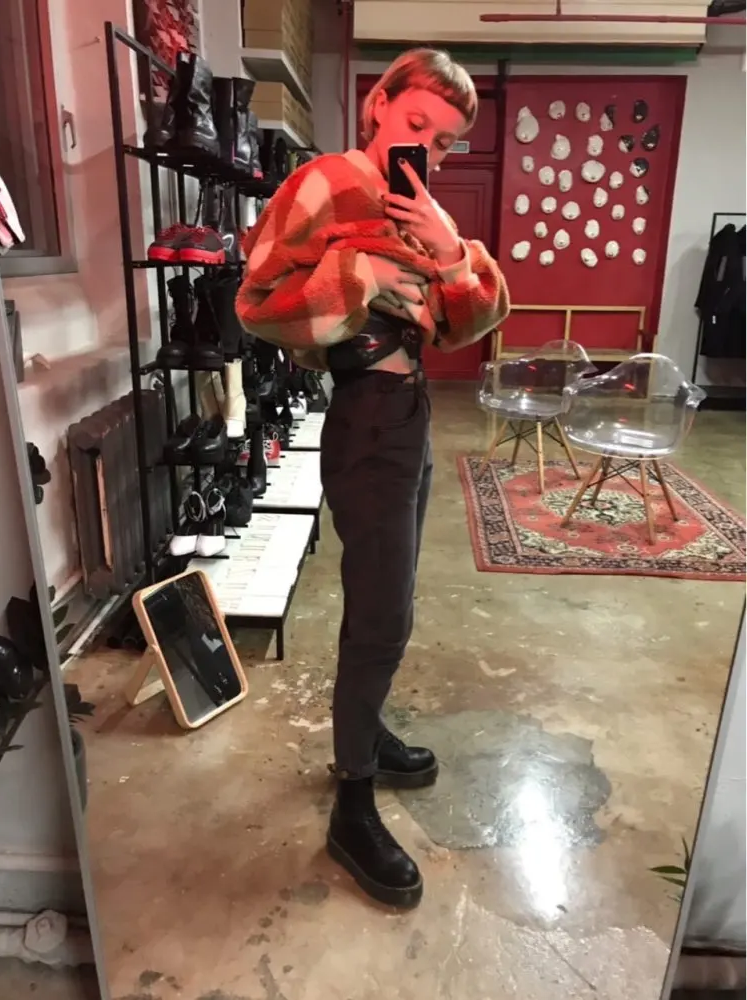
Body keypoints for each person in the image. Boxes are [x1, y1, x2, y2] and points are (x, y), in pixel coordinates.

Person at [237, 48, 509, 909]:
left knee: (393, 602)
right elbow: (257, 299)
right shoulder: (323, 182)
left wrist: (450, 249)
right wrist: (364, 277)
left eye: (446, 139)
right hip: (366, 418)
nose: (427, 145)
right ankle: (352, 800)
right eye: (416, 122)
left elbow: (469, 322)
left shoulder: (422, 208)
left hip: (411, 415)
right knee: (381, 613)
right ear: (379, 103)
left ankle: (369, 731)